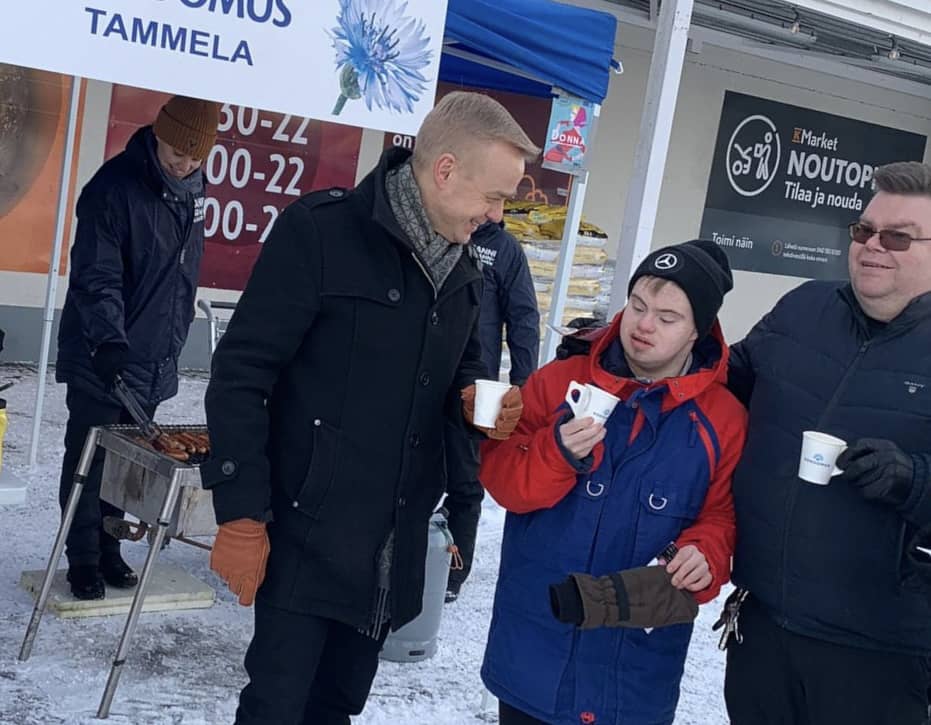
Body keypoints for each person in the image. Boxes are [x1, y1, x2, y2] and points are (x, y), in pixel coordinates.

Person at [201, 91, 538, 725]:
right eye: (494, 197)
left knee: (336, 708)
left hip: (390, 548)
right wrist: (241, 510)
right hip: (307, 532)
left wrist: (478, 405)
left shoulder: (464, 268)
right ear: (445, 170)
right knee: (276, 707)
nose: (497, 215)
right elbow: (241, 374)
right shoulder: (321, 233)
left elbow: (460, 377)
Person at [479, 239, 747, 725]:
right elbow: (503, 482)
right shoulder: (559, 382)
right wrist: (556, 453)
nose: (644, 325)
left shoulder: (722, 420)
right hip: (534, 650)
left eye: (667, 318)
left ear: (697, 331)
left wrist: (705, 554)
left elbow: (725, 517)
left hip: (631, 675)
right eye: (638, 306)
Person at [724, 160, 931, 725]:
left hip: (878, 653)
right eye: (864, 231)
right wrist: (639, 349)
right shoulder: (804, 308)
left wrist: (912, 478)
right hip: (763, 628)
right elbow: (725, 380)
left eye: (898, 237)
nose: (873, 246)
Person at [55, 95, 218, 600]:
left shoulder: (194, 190)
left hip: (153, 354)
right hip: (103, 352)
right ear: (158, 134)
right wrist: (108, 342)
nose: (184, 164)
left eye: (195, 156)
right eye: (177, 152)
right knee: (88, 461)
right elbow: (96, 276)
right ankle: (82, 557)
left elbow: (180, 274)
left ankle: (109, 548)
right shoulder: (113, 189)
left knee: (130, 463)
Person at [442, 220, 540, 602]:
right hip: (425, 375)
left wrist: (523, 384)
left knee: (466, 481)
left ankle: (453, 572)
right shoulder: (441, 229)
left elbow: (523, 319)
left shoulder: (505, 250)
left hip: (474, 386)